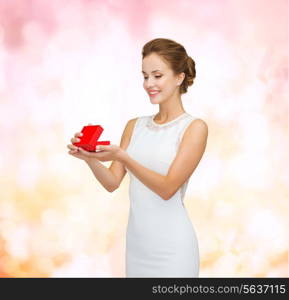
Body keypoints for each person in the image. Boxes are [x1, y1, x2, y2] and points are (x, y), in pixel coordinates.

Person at [67, 38, 208, 277]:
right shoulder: (135, 126)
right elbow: (112, 183)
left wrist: (124, 157)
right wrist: (89, 158)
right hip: (138, 248)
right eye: (145, 76)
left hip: (174, 250)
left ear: (179, 77)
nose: (149, 83)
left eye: (157, 75)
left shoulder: (194, 128)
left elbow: (167, 188)